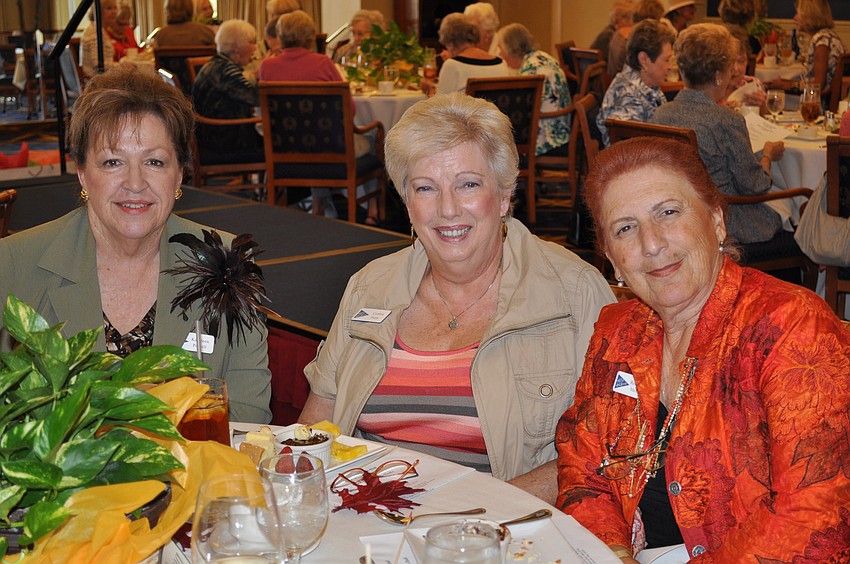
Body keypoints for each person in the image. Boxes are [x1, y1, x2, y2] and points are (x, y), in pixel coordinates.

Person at [297, 92, 615, 502]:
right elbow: (315, 428)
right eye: (426, 188)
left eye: (468, 184)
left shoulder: (574, 294)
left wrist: (468, 514)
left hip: (502, 533)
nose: (448, 209)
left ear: (503, 196)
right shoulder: (368, 287)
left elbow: (608, 449)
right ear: (407, 204)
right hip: (369, 525)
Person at [555, 137, 850, 560]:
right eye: (625, 228)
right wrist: (614, 552)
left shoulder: (791, 328)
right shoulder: (616, 331)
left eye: (668, 213)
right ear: (612, 261)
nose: (652, 243)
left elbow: (814, 516)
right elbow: (583, 467)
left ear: (716, 221)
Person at [0, 66, 272, 423]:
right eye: (113, 161)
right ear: (82, 172)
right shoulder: (14, 265)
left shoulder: (226, 264)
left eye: (154, 162)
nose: (135, 183)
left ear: (179, 174)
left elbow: (248, 419)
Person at [651, 23, 785, 245]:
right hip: (726, 221)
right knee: (798, 206)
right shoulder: (726, 120)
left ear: (683, 70)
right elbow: (755, 186)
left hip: (675, 217)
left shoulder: (661, 114)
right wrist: (768, 154)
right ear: (718, 77)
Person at [258, 10, 376, 222]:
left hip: (284, 150)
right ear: (309, 35)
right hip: (331, 150)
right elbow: (350, 111)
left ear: (280, 35)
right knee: (373, 137)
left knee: (308, 134)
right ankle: (374, 211)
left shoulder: (266, 66)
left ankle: (318, 200)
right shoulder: (323, 63)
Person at [597, 19, 676, 147]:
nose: (671, 66)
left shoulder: (647, 85)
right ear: (644, 59)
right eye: (666, 60)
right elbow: (629, 155)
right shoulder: (627, 98)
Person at [192, 20, 262, 164]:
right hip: (224, 142)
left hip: (209, 137)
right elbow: (258, 98)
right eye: (251, 42)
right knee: (278, 143)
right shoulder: (226, 71)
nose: (255, 47)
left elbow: (240, 89)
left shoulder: (217, 64)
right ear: (236, 46)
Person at [498, 23, 571, 156]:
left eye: (501, 48)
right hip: (562, 130)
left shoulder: (531, 70)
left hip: (547, 140)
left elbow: (522, 113)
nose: (500, 54)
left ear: (511, 49)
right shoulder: (542, 56)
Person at [424, 13, 509, 96]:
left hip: (469, 110)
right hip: (495, 110)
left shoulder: (452, 65)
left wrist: (429, 92)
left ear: (450, 43)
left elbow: (441, 107)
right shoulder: (501, 63)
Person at [81, 0, 120, 78]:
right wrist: (121, 66)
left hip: (103, 77)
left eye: (115, 8)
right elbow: (97, 64)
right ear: (98, 11)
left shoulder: (100, 29)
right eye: (109, 8)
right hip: (97, 81)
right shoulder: (93, 31)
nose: (114, 12)